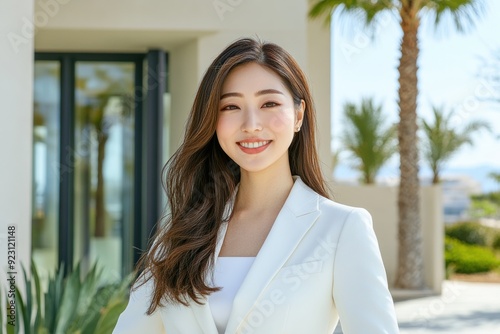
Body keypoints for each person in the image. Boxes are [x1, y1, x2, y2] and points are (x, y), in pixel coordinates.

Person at [113, 37, 399, 334]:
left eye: (269, 103)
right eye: (231, 106)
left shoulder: (341, 229)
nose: (251, 123)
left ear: (298, 115)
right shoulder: (179, 236)